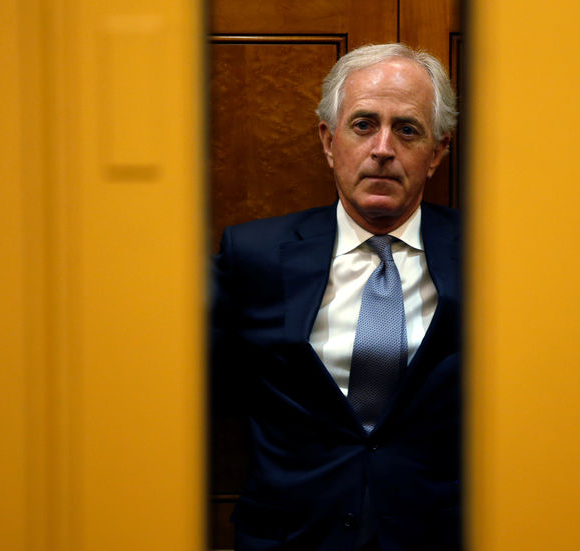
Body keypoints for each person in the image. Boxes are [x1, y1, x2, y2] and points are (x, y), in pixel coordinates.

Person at [211, 43, 461, 551]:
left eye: (407, 129)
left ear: (437, 152)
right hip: (292, 536)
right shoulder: (252, 256)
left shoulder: (495, 258)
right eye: (364, 124)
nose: (383, 148)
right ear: (329, 141)